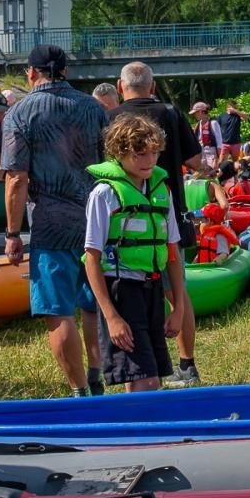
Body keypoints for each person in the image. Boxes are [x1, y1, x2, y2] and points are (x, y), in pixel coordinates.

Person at [2, 44, 108, 397]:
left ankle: (78, 390)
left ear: (31, 74)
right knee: (94, 304)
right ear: (66, 71)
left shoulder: (19, 114)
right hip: (95, 221)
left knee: (58, 312)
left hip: (50, 224)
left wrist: (13, 233)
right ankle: (96, 374)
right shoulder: (94, 108)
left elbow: (16, 178)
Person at [111, 62, 204, 385]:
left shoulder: (111, 118)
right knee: (177, 292)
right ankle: (187, 365)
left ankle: (139, 368)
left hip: (124, 224)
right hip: (169, 215)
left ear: (120, 87)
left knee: (131, 294)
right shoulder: (171, 112)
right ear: (152, 87)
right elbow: (195, 162)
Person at [82, 113, 185, 394]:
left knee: (150, 373)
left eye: (153, 153)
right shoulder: (104, 194)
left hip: (152, 288)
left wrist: (179, 308)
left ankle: (139, 428)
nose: (149, 161)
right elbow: (91, 258)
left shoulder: (160, 190)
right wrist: (111, 316)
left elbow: (171, 250)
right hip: (122, 290)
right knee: (146, 379)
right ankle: (148, 434)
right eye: (140, 154)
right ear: (120, 152)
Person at [191, 101, 218, 167]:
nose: (194, 115)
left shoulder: (213, 123)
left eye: (195, 113)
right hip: (201, 153)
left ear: (201, 112)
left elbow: (219, 142)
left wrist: (217, 158)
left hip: (211, 152)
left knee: (211, 173)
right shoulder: (198, 124)